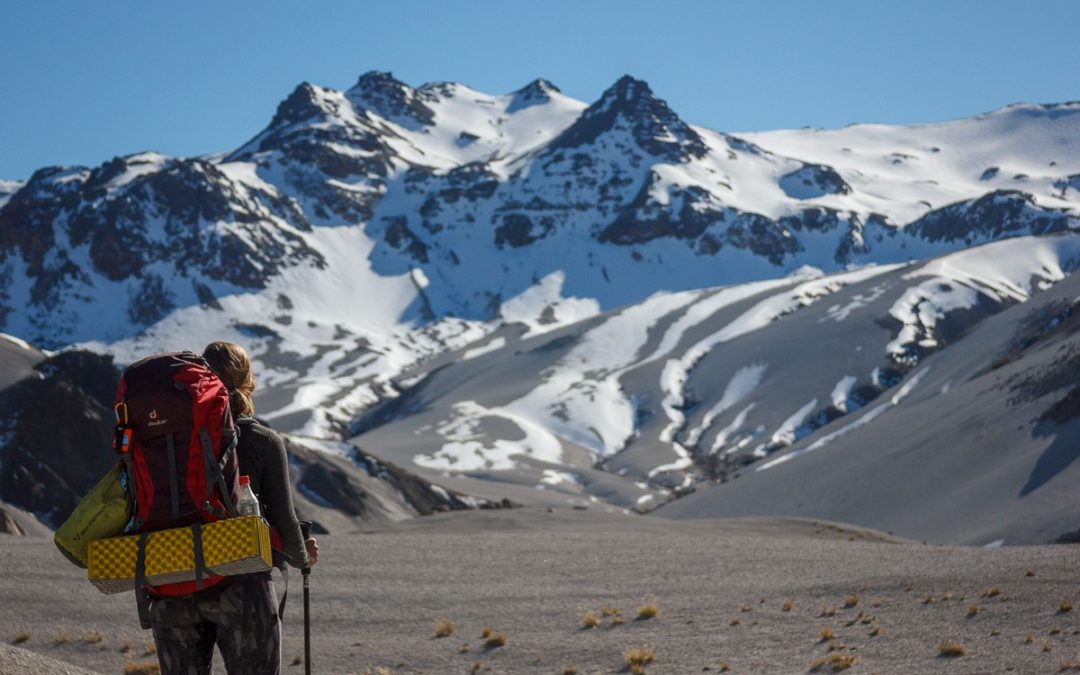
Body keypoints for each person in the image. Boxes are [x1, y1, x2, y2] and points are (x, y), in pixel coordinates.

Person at [148, 341, 320, 675]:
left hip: (170, 583)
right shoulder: (262, 441)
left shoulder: (165, 439)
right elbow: (284, 518)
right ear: (247, 382)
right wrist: (303, 558)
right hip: (242, 588)